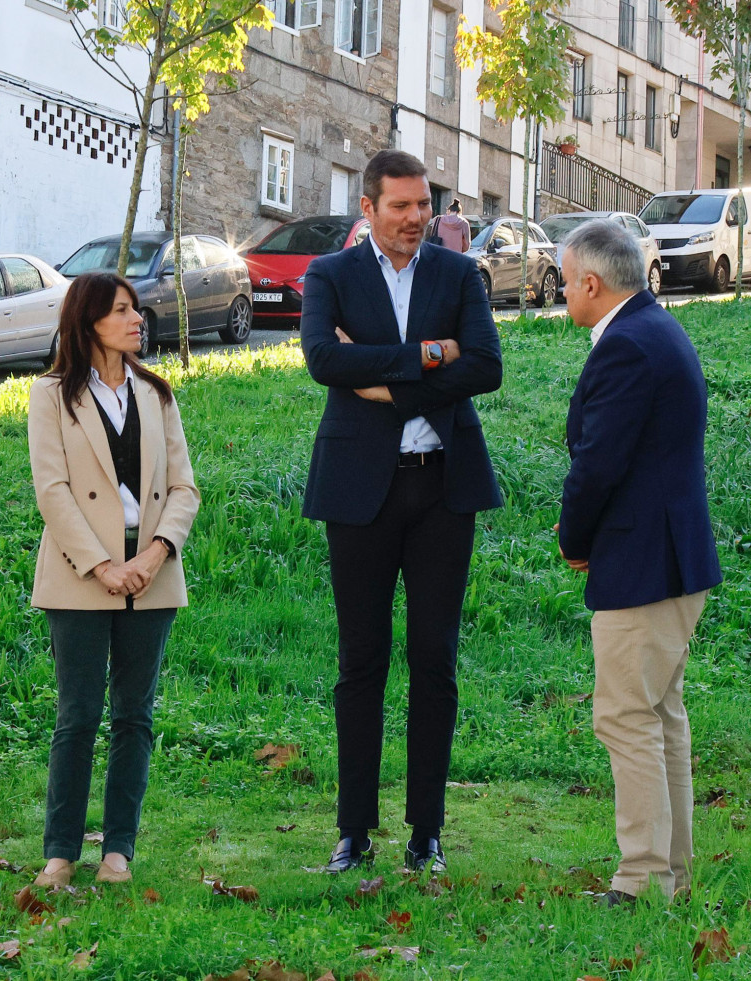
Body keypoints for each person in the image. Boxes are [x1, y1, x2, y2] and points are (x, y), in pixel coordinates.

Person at [300, 149, 502, 876]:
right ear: (369, 209)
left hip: (442, 489)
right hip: (358, 492)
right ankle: (353, 830)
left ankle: (426, 832)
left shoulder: (456, 273)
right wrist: (427, 357)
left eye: (424, 205)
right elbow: (323, 359)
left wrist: (387, 380)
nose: (418, 218)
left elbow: (485, 365)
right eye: (402, 207)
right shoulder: (329, 274)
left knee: (433, 662)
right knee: (361, 661)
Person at [556, 220, 722, 906]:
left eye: (564, 281)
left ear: (591, 284)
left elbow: (597, 463)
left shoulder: (625, 345)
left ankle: (643, 878)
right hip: (673, 556)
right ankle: (670, 873)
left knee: (625, 717)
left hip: (641, 559)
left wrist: (573, 538)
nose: (562, 292)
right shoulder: (657, 329)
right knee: (657, 715)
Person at [28, 271, 199, 888]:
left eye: (136, 309)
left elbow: (184, 487)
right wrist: (102, 565)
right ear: (89, 321)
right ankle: (60, 854)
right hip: (81, 573)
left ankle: (119, 851)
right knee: (77, 714)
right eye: (122, 310)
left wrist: (153, 555)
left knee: (135, 715)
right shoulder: (50, 394)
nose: (137, 319)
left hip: (150, 571)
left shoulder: (157, 393)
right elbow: (52, 490)